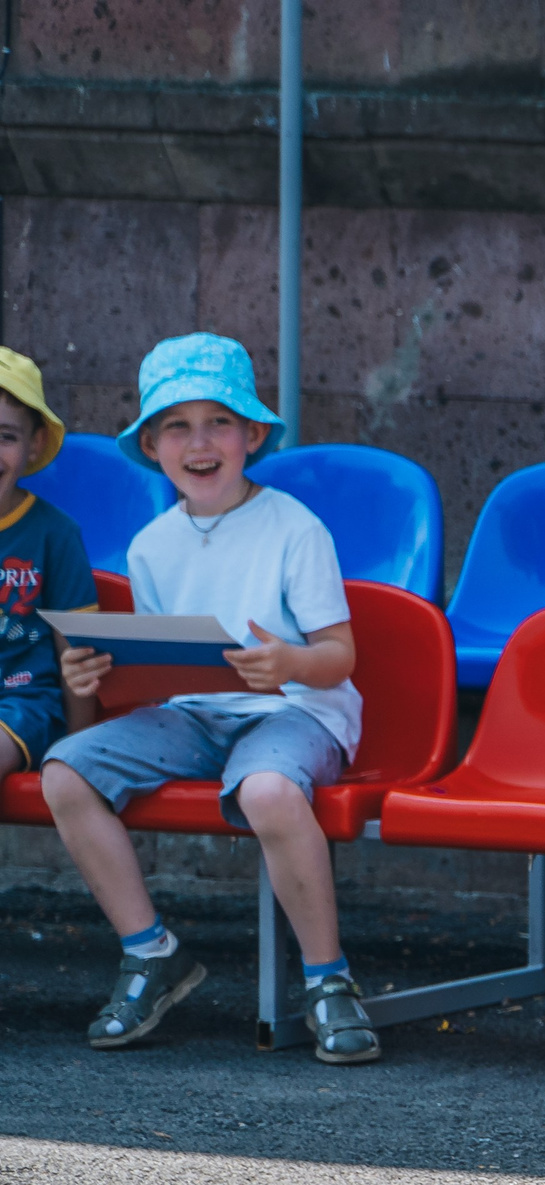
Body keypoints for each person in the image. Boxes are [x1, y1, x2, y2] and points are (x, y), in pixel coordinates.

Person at [42, 333, 379, 1063]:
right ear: (152, 447)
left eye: (218, 422)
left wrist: (288, 661)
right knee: (65, 771)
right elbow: (166, 673)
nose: (199, 443)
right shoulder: (150, 545)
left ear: (251, 435)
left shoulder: (295, 527)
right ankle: (150, 950)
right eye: (176, 426)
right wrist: (96, 674)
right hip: (196, 712)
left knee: (267, 791)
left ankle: (328, 977)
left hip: (297, 711)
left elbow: (339, 657)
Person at [0, 348, 98, 779]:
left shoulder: (55, 534)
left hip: (22, 706)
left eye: (6, 436)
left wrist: (80, 753)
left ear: (35, 443)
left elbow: (78, 653)